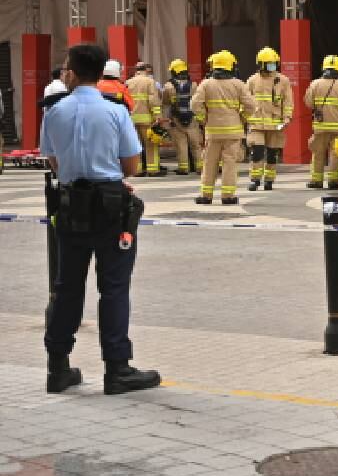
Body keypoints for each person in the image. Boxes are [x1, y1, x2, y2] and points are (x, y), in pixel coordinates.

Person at [39, 43, 161, 395]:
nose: (63, 73)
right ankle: (117, 369)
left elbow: (53, 161)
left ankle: (58, 366)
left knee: (67, 288)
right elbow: (131, 165)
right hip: (109, 207)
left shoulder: (54, 112)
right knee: (114, 287)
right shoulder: (116, 111)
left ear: (73, 73)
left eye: (65, 68)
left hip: (70, 205)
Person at [191, 50, 255, 205]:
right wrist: (242, 118)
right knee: (230, 164)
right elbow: (251, 106)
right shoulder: (239, 84)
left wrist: (203, 118)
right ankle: (228, 196)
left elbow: (194, 105)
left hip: (212, 131)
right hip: (233, 131)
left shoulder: (206, 84)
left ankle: (206, 195)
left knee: (209, 163)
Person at [245, 47, 293, 192]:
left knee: (272, 153)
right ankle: (255, 180)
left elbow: (288, 101)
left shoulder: (282, 80)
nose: (272, 66)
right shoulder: (252, 80)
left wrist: (287, 117)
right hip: (257, 123)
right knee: (257, 152)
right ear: (261, 64)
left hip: (275, 123)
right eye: (269, 63)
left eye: (274, 63)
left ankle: (269, 180)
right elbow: (245, 100)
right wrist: (245, 116)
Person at [304, 56, 338, 190]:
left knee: (318, 153)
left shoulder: (315, 84)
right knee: (336, 153)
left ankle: (316, 180)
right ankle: (334, 181)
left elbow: (308, 103)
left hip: (320, 126)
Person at [162, 60, 202, 176]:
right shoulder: (194, 85)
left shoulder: (168, 86)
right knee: (196, 145)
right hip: (192, 118)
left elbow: (165, 102)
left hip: (176, 118)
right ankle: (200, 168)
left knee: (181, 145)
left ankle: (183, 168)